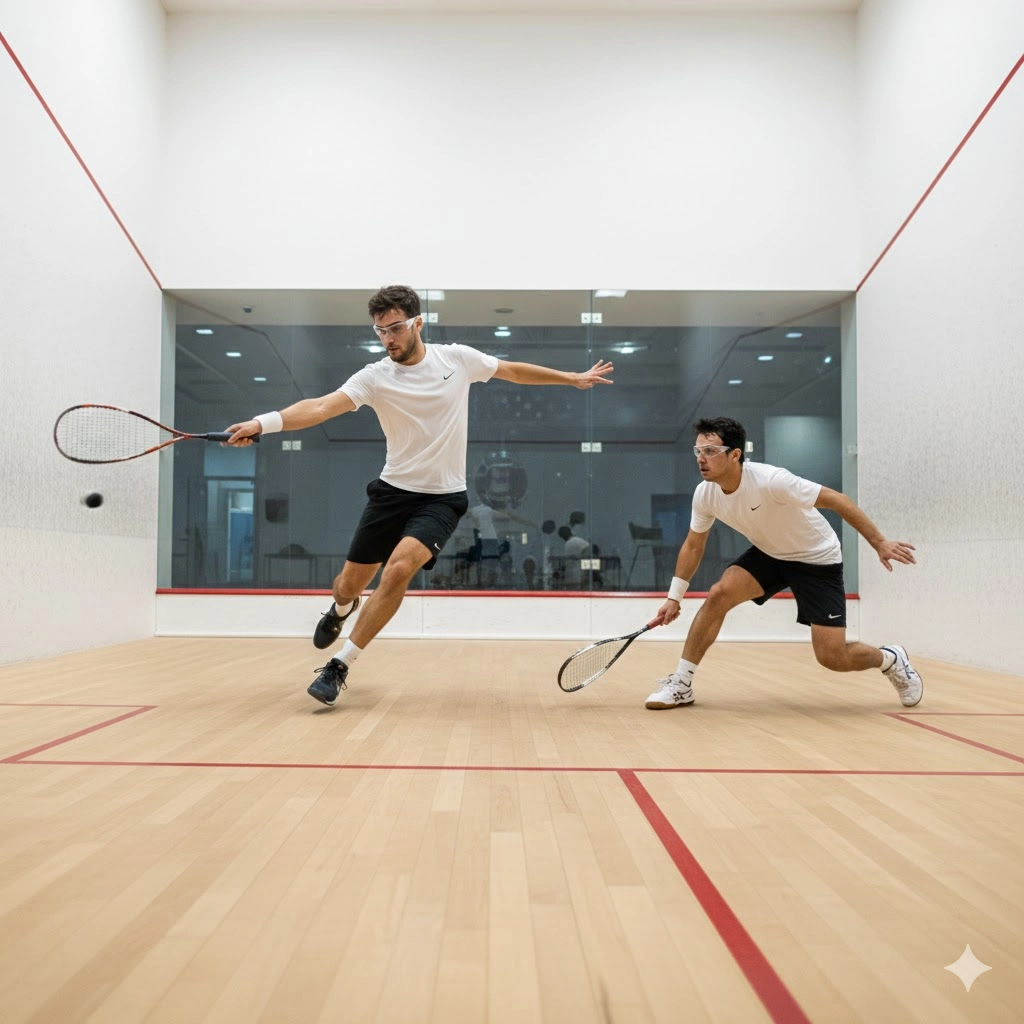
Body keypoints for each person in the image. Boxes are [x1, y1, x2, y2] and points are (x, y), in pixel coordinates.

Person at [225, 284, 614, 706]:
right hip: (391, 494)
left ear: (417, 322)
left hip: (443, 498)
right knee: (347, 584)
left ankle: (340, 664)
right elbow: (320, 407)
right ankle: (339, 609)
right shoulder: (375, 378)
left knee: (398, 569)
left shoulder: (457, 359)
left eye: (394, 328)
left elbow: (512, 370)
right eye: (380, 331)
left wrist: (570, 378)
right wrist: (262, 423)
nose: (388, 338)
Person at [644, 417, 923, 710]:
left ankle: (891, 659)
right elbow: (693, 545)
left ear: (735, 454)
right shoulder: (706, 494)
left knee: (832, 657)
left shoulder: (771, 481)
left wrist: (879, 542)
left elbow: (838, 500)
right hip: (770, 552)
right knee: (719, 594)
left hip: (816, 558)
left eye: (711, 451)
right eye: (698, 451)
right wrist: (674, 598)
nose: (701, 459)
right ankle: (682, 683)